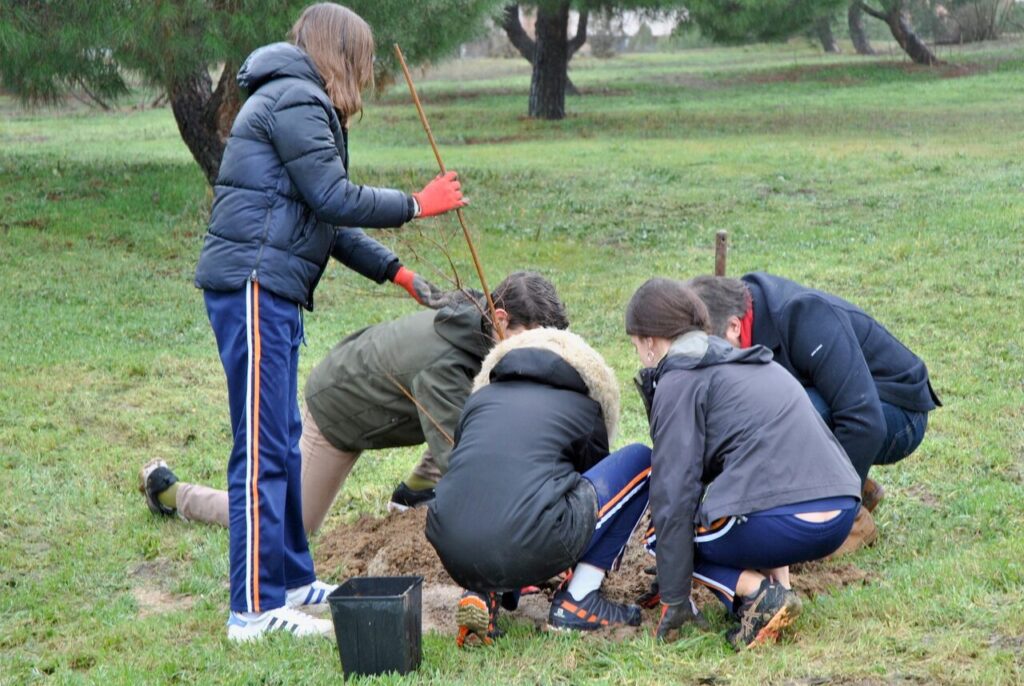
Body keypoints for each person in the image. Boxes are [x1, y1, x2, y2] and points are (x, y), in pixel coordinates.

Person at [190, 3, 466, 642]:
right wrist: (420, 203)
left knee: (282, 438)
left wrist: (399, 274)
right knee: (261, 448)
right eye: (362, 61)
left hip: (272, 288)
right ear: (339, 53)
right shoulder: (296, 99)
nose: (366, 75)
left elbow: (324, 221)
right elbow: (334, 197)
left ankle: (289, 581)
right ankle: (254, 611)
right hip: (255, 286)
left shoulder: (297, 100)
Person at [140, 272, 568, 534]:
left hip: (386, 387)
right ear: (500, 319)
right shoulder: (443, 365)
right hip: (339, 407)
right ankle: (173, 493)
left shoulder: (478, 327)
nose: (535, 350)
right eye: (530, 338)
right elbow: (465, 466)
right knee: (288, 523)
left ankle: (414, 493)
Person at [626, 278, 862, 650]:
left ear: (650, 340)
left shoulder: (678, 380)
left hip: (787, 522)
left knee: (660, 535)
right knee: (749, 493)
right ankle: (780, 591)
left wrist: (675, 596)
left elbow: (674, 495)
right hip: (841, 510)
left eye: (635, 343)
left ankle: (759, 594)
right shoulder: (745, 359)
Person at [426, 328, 653, 646]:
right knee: (642, 460)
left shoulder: (479, 401)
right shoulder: (584, 409)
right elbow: (593, 493)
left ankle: (480, 591)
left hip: (450, 540)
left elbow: (470, 473)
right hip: (528, 539)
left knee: (495, 485)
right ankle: (580, 598)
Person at [686, 273, 941, 552]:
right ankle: (855, 485)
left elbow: (864, 421)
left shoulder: (804, 315)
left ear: (734, 327)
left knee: (789, 417)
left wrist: (836, 509)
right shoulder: (739, 315)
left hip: (897, 412)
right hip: (849, 406)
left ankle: (854, 518)